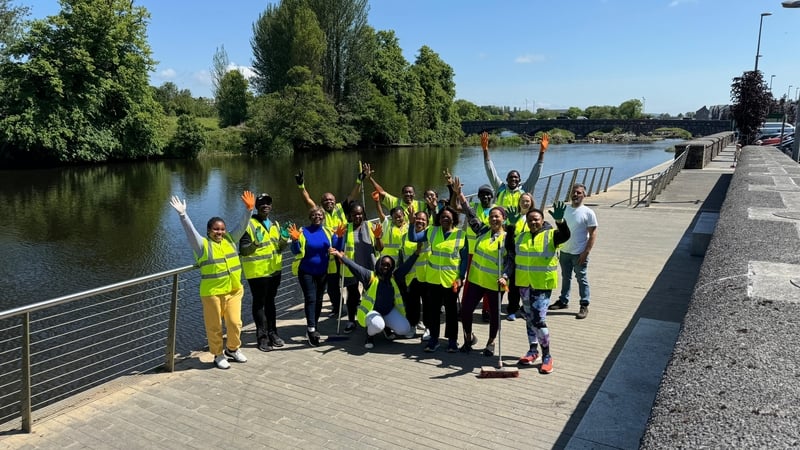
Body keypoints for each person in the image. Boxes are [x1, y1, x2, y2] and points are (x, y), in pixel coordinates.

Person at [169, 191, 253, 370]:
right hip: (212, 293)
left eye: (222, 229)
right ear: (209, 230)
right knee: (214, 326)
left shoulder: (230, 239)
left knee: (235, 322)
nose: (220, 232)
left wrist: (249, 210)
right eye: (216, 229)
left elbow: (242, 226)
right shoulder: (202, 245)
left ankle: (232, 349)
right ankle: (218, 354)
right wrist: (183, 215)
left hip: (234, 290)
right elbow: (191, 233)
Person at [502, 202, 570, 374]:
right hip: (524, 283)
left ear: (542, 221)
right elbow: (509, 246)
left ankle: (547, 355)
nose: (533, 222)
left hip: (542, 284)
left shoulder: (551, 235)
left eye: (536, 220)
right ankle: (533, 350)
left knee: (538, 319)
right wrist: (510, 226)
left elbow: (565, 235)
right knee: (528, 317)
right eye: (530, 220)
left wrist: (560, 221)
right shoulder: (521, 237)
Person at [295, 167, 362, 318]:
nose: (329, 202)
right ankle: (338, 308)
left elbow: (353, 194)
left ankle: (355, 304)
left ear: (335, 200)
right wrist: (301, 186)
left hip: (344, 252)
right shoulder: (319, 213)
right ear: (321, 203)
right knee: (332, 286)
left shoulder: (341, 208)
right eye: (325, 200)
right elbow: (307, 200)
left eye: (331, 199)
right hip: (329, 256)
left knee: (351, 282)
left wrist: (359, 180)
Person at [329, 243, 421, 349]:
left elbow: (406, 266)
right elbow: (355, 267)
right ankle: (369, 335)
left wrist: (416, 254)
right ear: (378, 264)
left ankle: (386, 328)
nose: (385, 267)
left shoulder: (394, 277)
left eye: (388, 265)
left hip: (388, 311)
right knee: (377, 325)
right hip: (373, 312)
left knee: (404, 329)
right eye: (383, 264)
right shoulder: (370, 276)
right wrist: (340, 256)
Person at [454, 178, 508, 356]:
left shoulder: (508, 239)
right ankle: (469, 338)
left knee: (494, 315)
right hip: (476, 280)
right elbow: (470, 214)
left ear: (503, 219)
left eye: (497, 216)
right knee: (466, 312)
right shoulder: (482, 230)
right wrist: (459, 194)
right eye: (492, 216)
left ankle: (491, 341)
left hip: (495, 284)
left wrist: (506, 276)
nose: (493, 219)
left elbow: (512, 261)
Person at [407, 206, 468, 353]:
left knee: (451, 312)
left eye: (447, 217)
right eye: (442, 217)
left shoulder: (461, 235)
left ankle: (452, 341)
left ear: (454, 218)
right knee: (433, 311)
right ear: (438, 219)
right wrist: (411, 223)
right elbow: (413, 238)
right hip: (433, 279)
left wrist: (461, 277)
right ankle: (434, 339)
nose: (444, 219)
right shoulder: (432, 231)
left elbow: (464, 259)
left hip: (451, 280)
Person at [238, 193, 291, 352]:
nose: (265, 206)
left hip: (274, 271)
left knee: (271, 303)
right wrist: (254, 243)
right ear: (256, 206)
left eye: (268, 203)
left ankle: (273, 333)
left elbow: (279, 248)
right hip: (257, 274)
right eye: (261, 203)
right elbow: (244, 251)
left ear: (271, 206)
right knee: (259, 304)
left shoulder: (274, 224)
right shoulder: (249, 225)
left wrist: (284, 240)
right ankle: (262, 338)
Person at [288, 207, 345, 347]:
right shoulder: (303, 232)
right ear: (310, 217)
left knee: (319, 299)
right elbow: (296, 252)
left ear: (323, 217)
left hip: (323, 271)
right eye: (314, 215)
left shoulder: (327, 231)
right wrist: (295, 241)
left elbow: (336, 248)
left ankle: (315, 325)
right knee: (310, 298)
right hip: (306, 271)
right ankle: (311, 329)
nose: (317, 217)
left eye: (319, 215)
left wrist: (340, 237)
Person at [549, 183, 598, 320]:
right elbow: (560, 230)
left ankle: (584, 303)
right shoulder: (564, 210)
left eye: (579, 193)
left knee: (581, 278)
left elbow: (593, 234)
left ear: (584, 195)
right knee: (566, 277)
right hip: (564, 251)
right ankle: (563, 300)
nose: (575, 195)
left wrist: (586, 252)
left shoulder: (588, 213)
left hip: (579, 252)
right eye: (573, 192)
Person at [339, 203, 380, 333]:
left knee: (371, 294)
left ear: (363, 214)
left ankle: (371, 319)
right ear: (350, 215)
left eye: (360, 213)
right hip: (352, 268)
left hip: (369, 267)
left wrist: (378, 237)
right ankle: (351, 320)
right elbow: (339, 247)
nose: (358, 216)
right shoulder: (346, 229)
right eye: (355, 214)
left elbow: (380, 248)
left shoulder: (370, 226)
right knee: (352, 295)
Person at [481, 131, 549, 208]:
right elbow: (490, 171)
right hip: (502, 219)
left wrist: (542, 151)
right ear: (506, 179)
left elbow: (535, 174)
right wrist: (485, 150)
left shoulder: (524, 190)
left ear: (519, 180)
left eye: (516, 177)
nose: (513, 179)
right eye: (511, 177)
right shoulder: (500, 188)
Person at [400, 211, 429, 338]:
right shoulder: (405, 236)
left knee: (428, 304)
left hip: (426, 276)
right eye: (418, 219)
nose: (420, 222)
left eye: (423, 220)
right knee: (412, 304)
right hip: (411, 277)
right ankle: (413, 326)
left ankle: (429, 327)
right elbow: (402, 257)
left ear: (427, 223)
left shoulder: (430, 236)